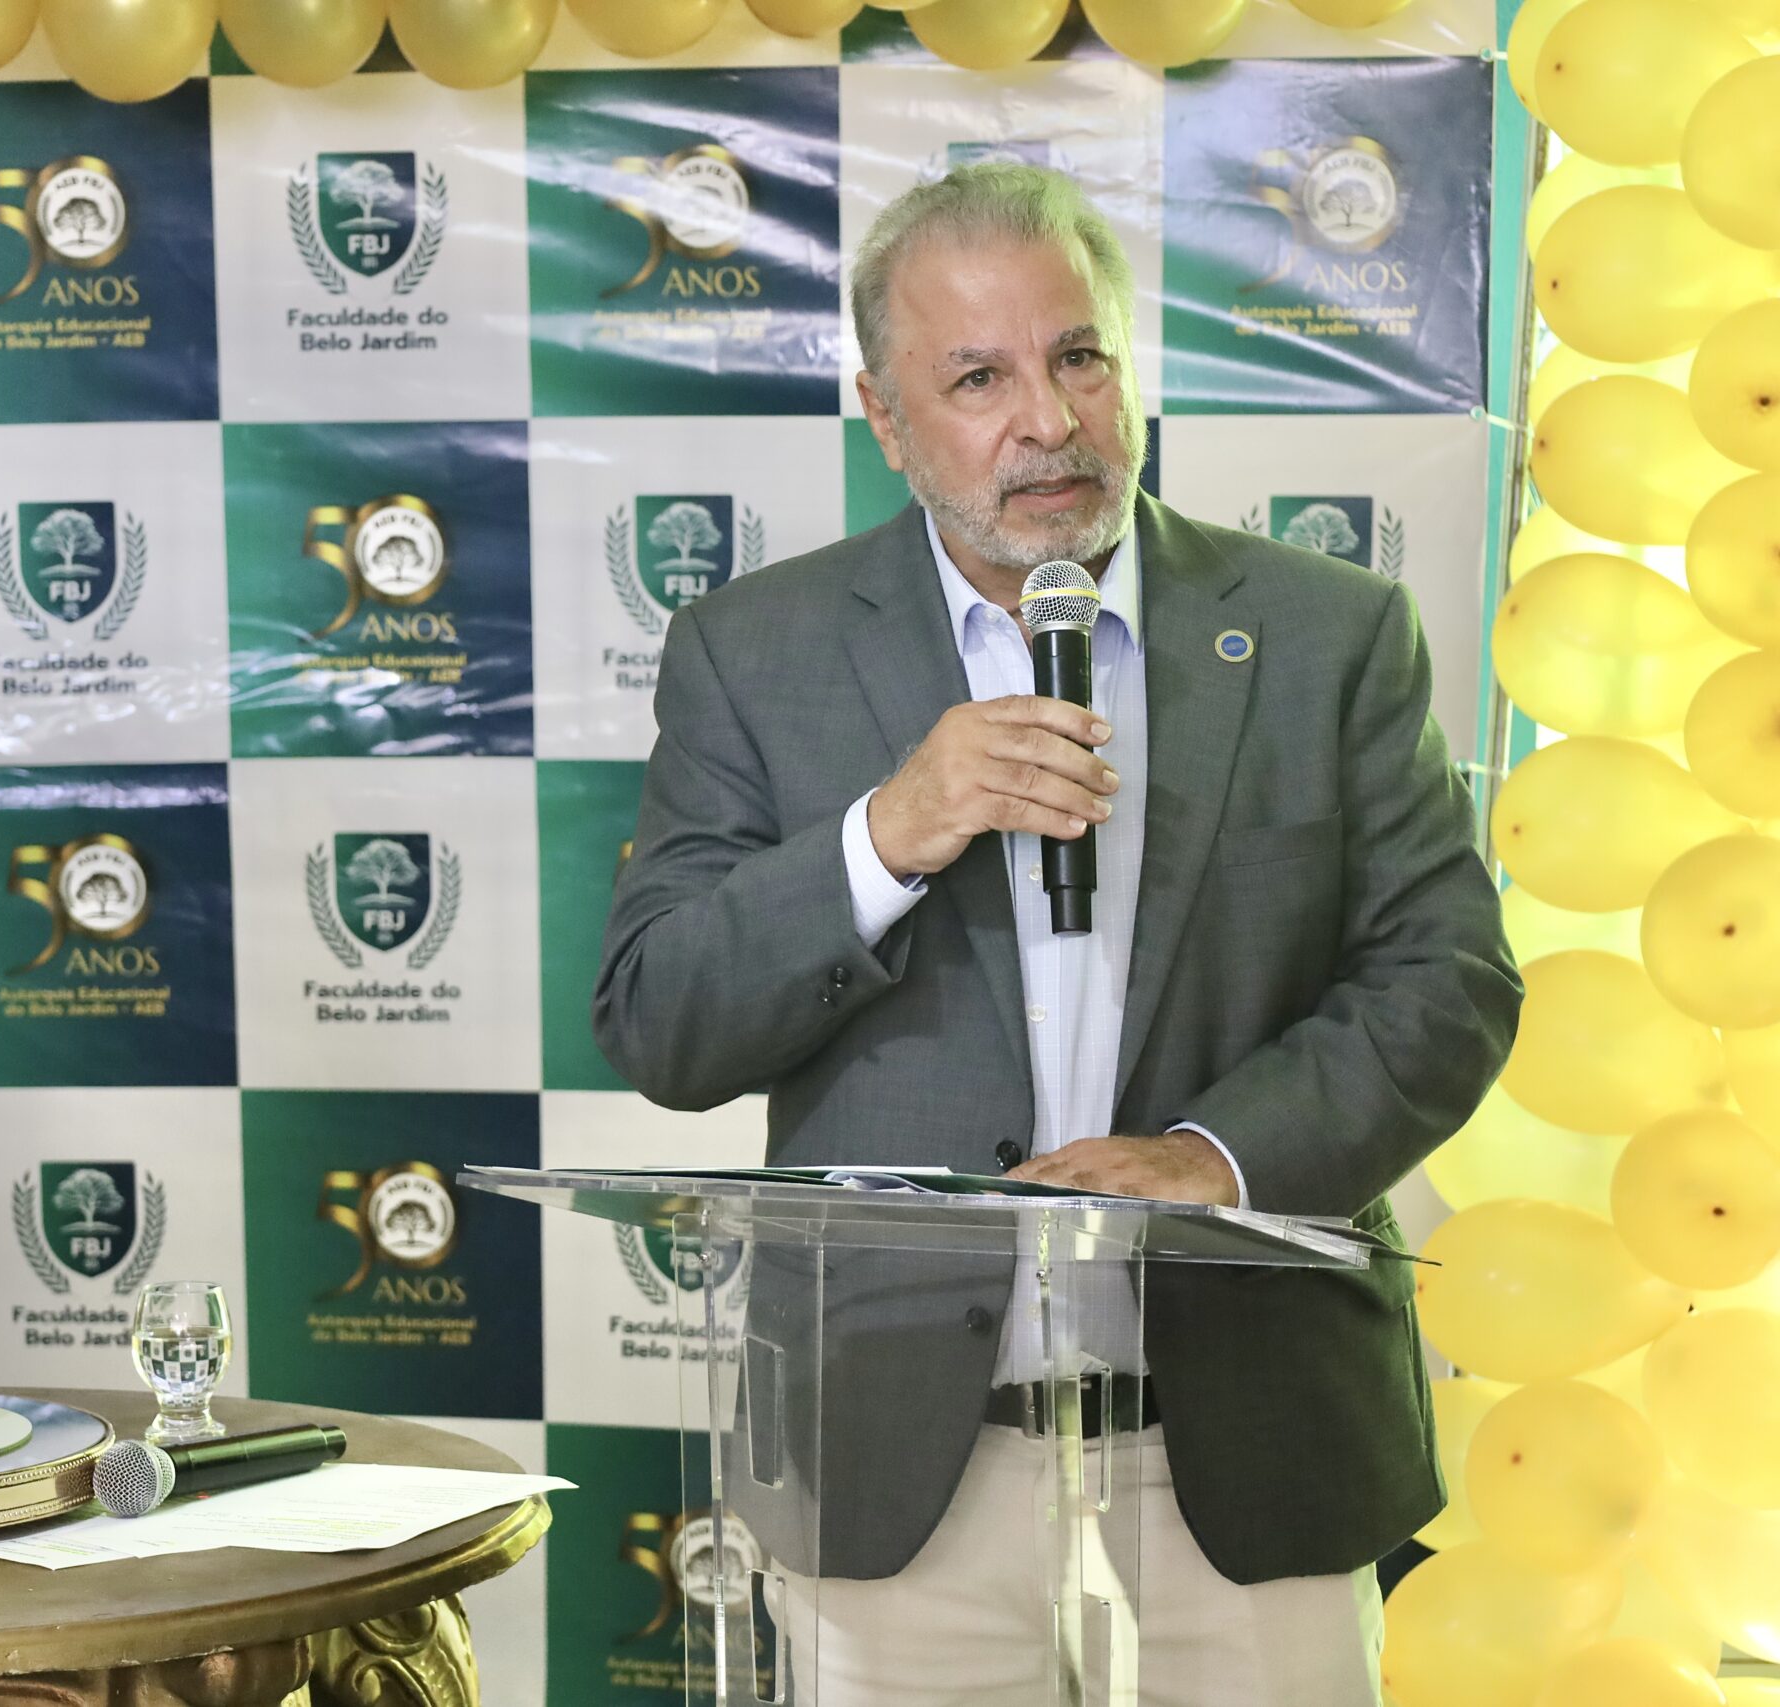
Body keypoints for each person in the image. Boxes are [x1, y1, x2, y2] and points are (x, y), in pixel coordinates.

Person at [592, 161, 1520, 1706]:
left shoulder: (1329, 634)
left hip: (1253, 1460)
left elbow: (1450, 984)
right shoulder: (755, 653)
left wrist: (1215, 1159)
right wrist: (886, 836)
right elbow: (661, 1023)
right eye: (979, 378)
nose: (1049, 419)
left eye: (1078, 355)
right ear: (887, 419)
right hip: (898, 1471)